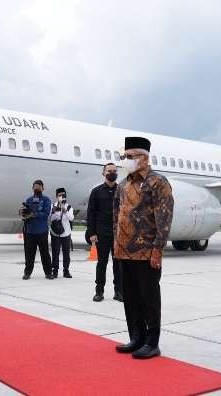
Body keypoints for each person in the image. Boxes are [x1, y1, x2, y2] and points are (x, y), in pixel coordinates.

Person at [113, 137, 173, 360]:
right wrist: (115, 245)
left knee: (149, 298)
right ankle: (136, 337)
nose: (127, 160)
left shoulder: (158, 183)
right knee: (130, 298)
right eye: (125, 156)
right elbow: (116, 217)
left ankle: (151, 342)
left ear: (144, 158)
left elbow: (164, 220)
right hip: (124, 251)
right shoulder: (123, 185)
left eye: (131, 156)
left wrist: (157, 249)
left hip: (146, 251)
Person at [87, 163, 123, 302]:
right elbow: (91, 213)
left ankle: (119, 292)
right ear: (103, 173)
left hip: (118, 234)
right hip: (101, 233)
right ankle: (99, 292)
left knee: (118, 264)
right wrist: (92, 232)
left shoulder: (122, 190)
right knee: (102, 263)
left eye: (114, 171)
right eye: (109, 171)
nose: (112, 173)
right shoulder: (96, 191)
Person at [20, 180, 53, 280]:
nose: (37, 189)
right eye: (35, 187)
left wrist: (34, 214)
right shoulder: (29, 200)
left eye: (39, 187)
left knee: (45, 253)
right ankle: (27, 273)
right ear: (32, 188)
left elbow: (46, 214)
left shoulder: (46, 200)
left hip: (42, 231)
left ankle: (48, 273)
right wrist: (24, 214)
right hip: (30, 231)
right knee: (29, 254)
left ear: (43, 188)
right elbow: (25, 213)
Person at [49, 187, 74, 278]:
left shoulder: (69, 207)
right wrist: (53, 212)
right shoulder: (52, 206)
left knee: (66, 254)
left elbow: (71, 218)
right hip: (55, 233)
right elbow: (50, 219)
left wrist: (65, 211)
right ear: (56, 196)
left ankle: (66, 271)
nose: (62, 197)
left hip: (66, 233)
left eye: (63, 195)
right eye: (60, 195)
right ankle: (54, 271)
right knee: (55, 253)